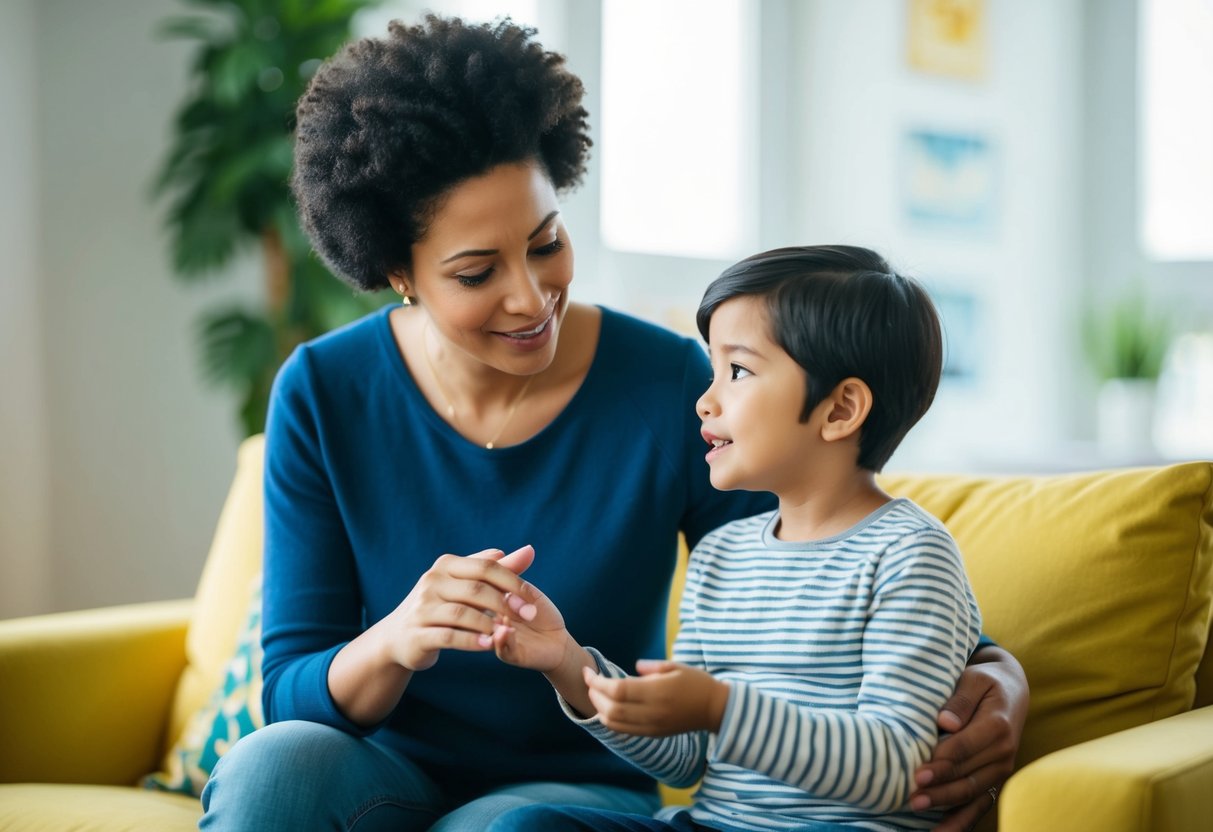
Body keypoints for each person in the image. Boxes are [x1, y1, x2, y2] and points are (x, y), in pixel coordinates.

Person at [198, 15, 1027, 832]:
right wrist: (398, 636)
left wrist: (1000, 674)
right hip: (382, 772)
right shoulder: (323, 390)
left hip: (571, 791)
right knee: (271, 769)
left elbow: (830, 547)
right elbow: (290, 690)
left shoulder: (668, 384)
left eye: (546, 242)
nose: (530, 298)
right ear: (396, 273)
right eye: (477, 271)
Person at [484, 245, 983, 832]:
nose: (705, 399)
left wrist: (722, 709)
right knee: (526, 827)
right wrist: (569, 663)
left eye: (738, 371)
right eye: (712, 369)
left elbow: (898, 766)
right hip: (714, 824)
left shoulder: (909, 553)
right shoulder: (721, 555)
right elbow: (686, 756)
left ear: (840, 408)